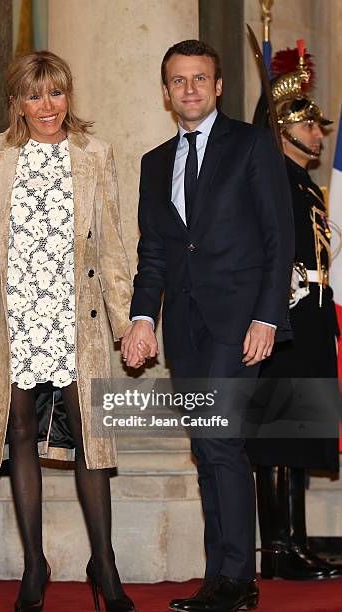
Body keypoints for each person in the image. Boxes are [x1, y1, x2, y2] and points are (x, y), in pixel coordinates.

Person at [0, 51, 141, 612]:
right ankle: (34, 564)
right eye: (34, 95)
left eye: (56, 93)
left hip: (74, 314)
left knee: (90, 434)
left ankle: (104, 565)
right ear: (17, 101)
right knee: (19, 434)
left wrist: (127, 320)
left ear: (69, 96)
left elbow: (112, 244)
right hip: (12, 315)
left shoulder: (95, 154)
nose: (47, 106)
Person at [122, 39, 294, 612]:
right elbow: (155, 254)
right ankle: (221, 574)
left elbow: (279, 237)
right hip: (186, 329)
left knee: (220, 440)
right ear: (166, 91)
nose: (189, 88)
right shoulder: (153, 163)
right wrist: (143, 318)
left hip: (241, 322)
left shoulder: (250, 145)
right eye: (178, 80)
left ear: (218, 87)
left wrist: (268, 315)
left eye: (200, 78)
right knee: (206, 445)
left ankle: (237, 579)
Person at [247, 44, 342, 580]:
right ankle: (278, 550)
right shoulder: (273, 177)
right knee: (277, 434)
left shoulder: (305, 183)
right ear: (283, 128)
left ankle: (297, 543)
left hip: (312, 318)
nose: (319, 135)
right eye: (310, 127)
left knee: (302, 431)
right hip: (282, 317)